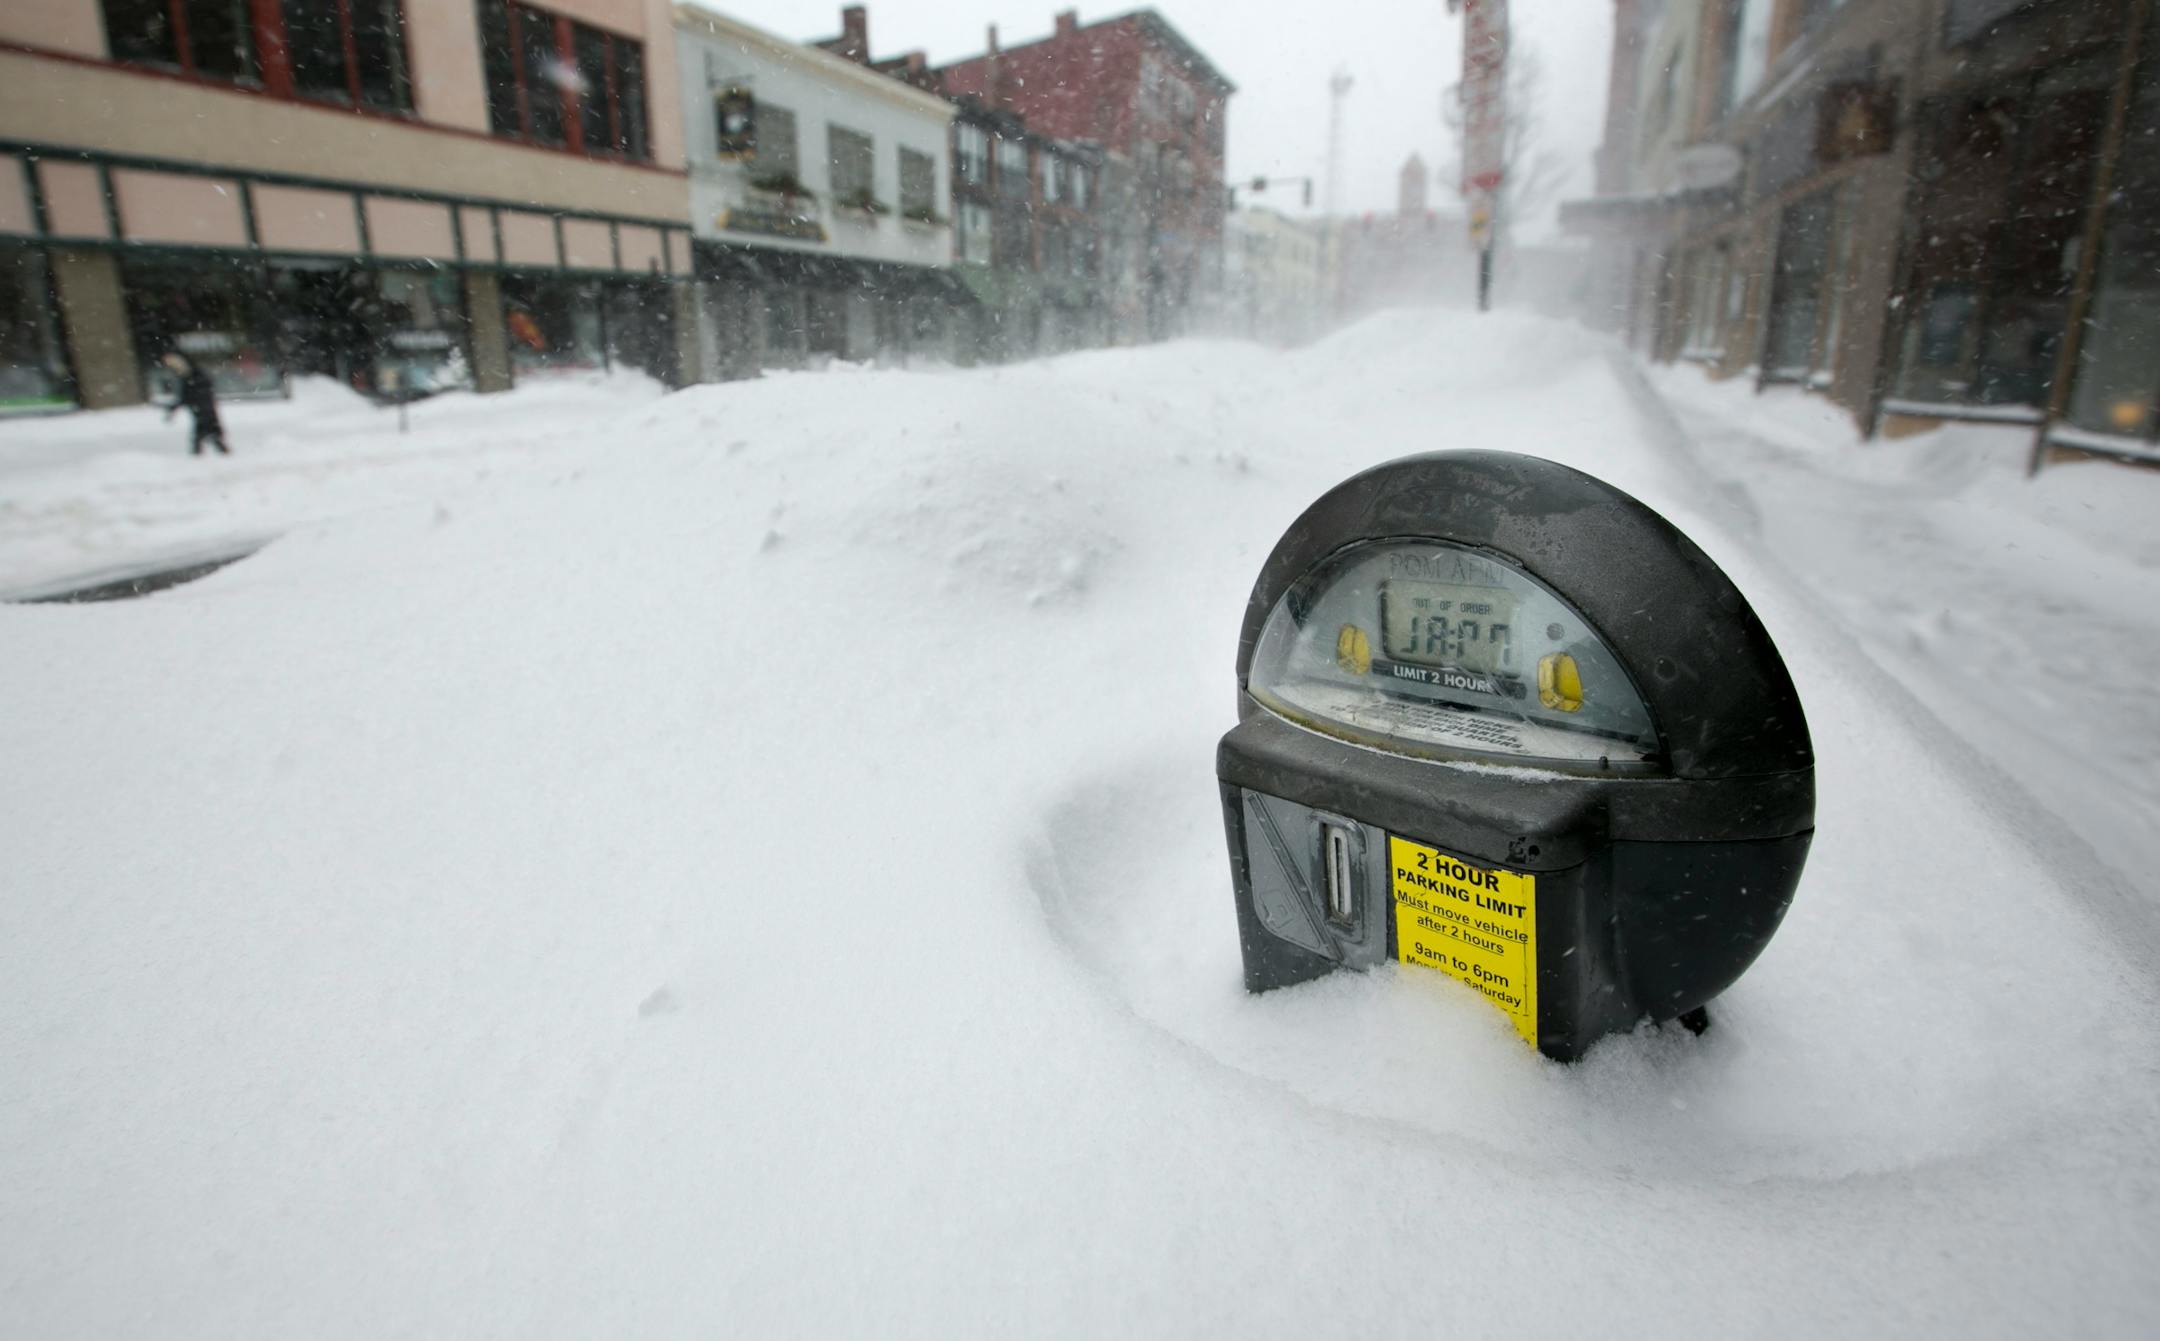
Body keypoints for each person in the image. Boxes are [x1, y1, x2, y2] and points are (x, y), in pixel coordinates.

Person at [159, 352, 229, 456]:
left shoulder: (193, 377)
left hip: (203, 410)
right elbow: (185, 396)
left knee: (205, 434)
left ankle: (202, 457)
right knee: (209, 434)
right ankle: (217, 455)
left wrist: (175, 407)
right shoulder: (191, 377)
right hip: (202, 410)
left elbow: (186, 396)